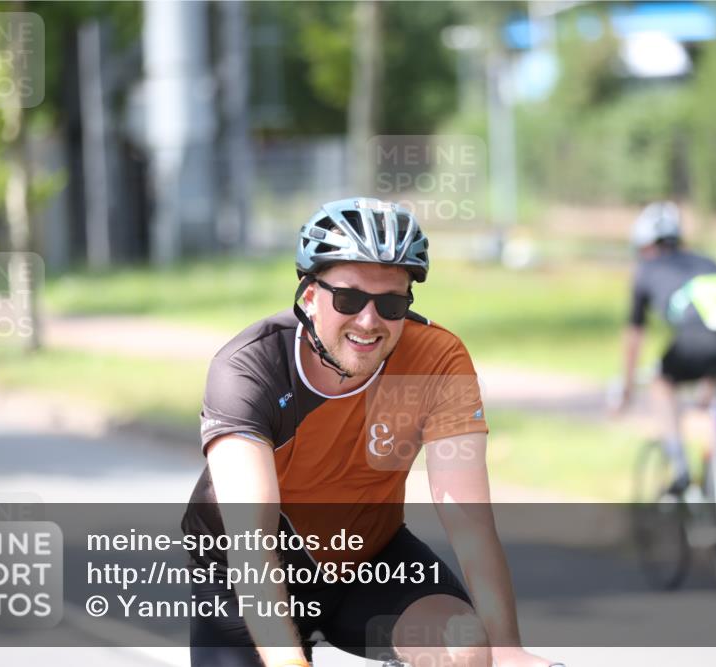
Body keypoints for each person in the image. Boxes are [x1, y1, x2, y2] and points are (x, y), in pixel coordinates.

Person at [182, 198, 558, 667]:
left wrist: (507, 652)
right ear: (309, 296)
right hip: (246, 578)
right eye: (349, 298)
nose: (368, 320)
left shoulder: (435, 362)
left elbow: (470, 525)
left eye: (391, 303)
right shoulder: (248, 369)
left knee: (464, 647)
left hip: (370, 561)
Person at [615, 202, 716, 494]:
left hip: (697, 340)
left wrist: (627, 388)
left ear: (645, 246)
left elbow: (634, 335)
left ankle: (680, 469)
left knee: (661, 382)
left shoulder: (645, 270)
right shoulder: (710, 263)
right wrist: (709, 383)